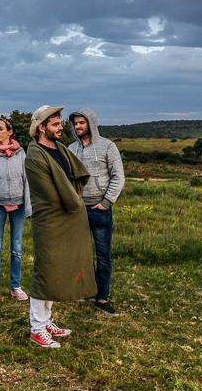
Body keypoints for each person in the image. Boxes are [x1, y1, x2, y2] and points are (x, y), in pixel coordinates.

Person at [24, 105, 97, 348]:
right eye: (55, 124)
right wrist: (75, 203)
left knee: (56, 273)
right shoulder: (34, 154)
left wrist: (74, 202)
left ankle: (46, 322)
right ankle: (36, 328)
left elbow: (74, 176)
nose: (61, 127)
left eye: (60, 122)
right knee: (45, 273)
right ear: (41, 128)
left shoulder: (60, 149)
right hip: (50, 222)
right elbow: (50, 195)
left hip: (67, 218)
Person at [67, 108, 125, 316]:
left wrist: (106, 201)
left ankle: (102, 297)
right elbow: (67, 179)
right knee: (81, 255)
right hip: (79, 211)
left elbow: (118, 176)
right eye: (75, 123)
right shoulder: (71, 149)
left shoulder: (107, 146)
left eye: (81, 123)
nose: (78, 127)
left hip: (100, 210)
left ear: (91, 123)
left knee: (103, 256)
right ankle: (87, 291)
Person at [0, 117, 32, 301]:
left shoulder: (21, 154)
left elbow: (27, 181)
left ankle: (15, 286)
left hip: (18, 205)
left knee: (17, 248)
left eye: (1, 128)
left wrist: (28, 208)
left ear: (10, 132)